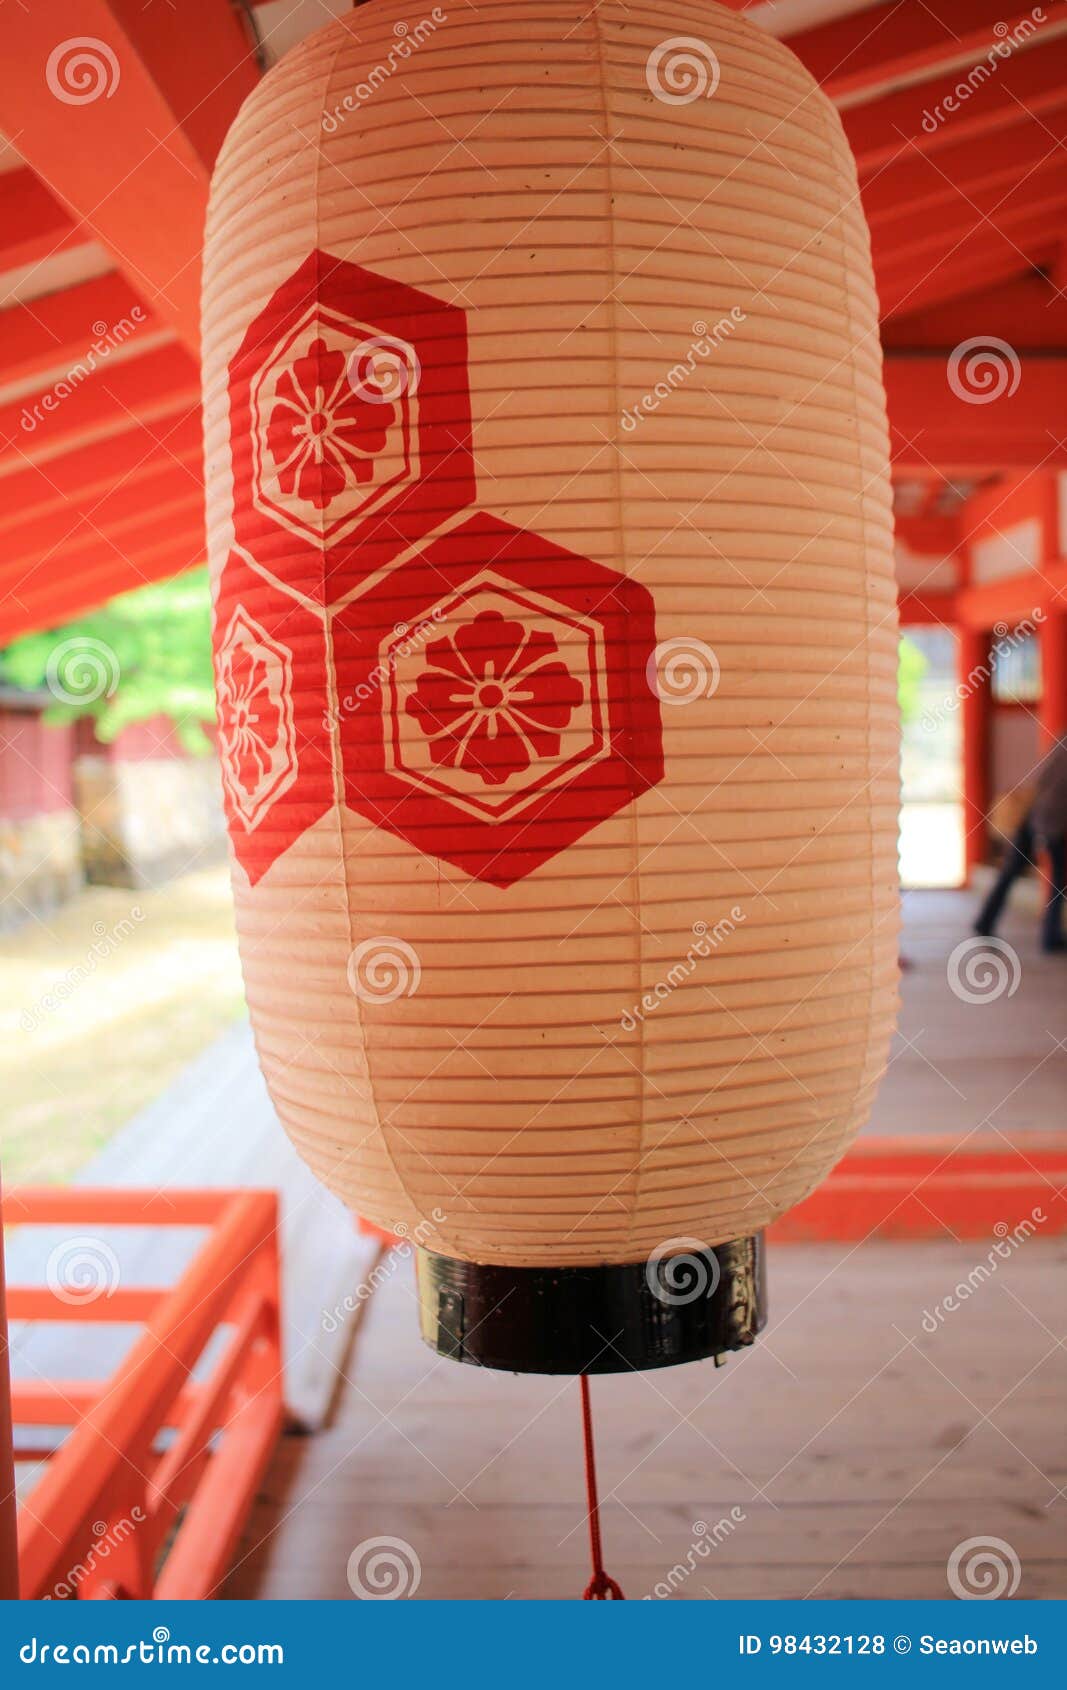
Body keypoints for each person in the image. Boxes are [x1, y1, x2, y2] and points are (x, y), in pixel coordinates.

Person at [976, 731, 1067, 954]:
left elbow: (1041, 777)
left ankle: (985, 920)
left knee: (1011, 871)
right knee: (1058, 879)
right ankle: (1051, 936)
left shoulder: (1062, 742)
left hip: (1034, 813)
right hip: (1053, 821)